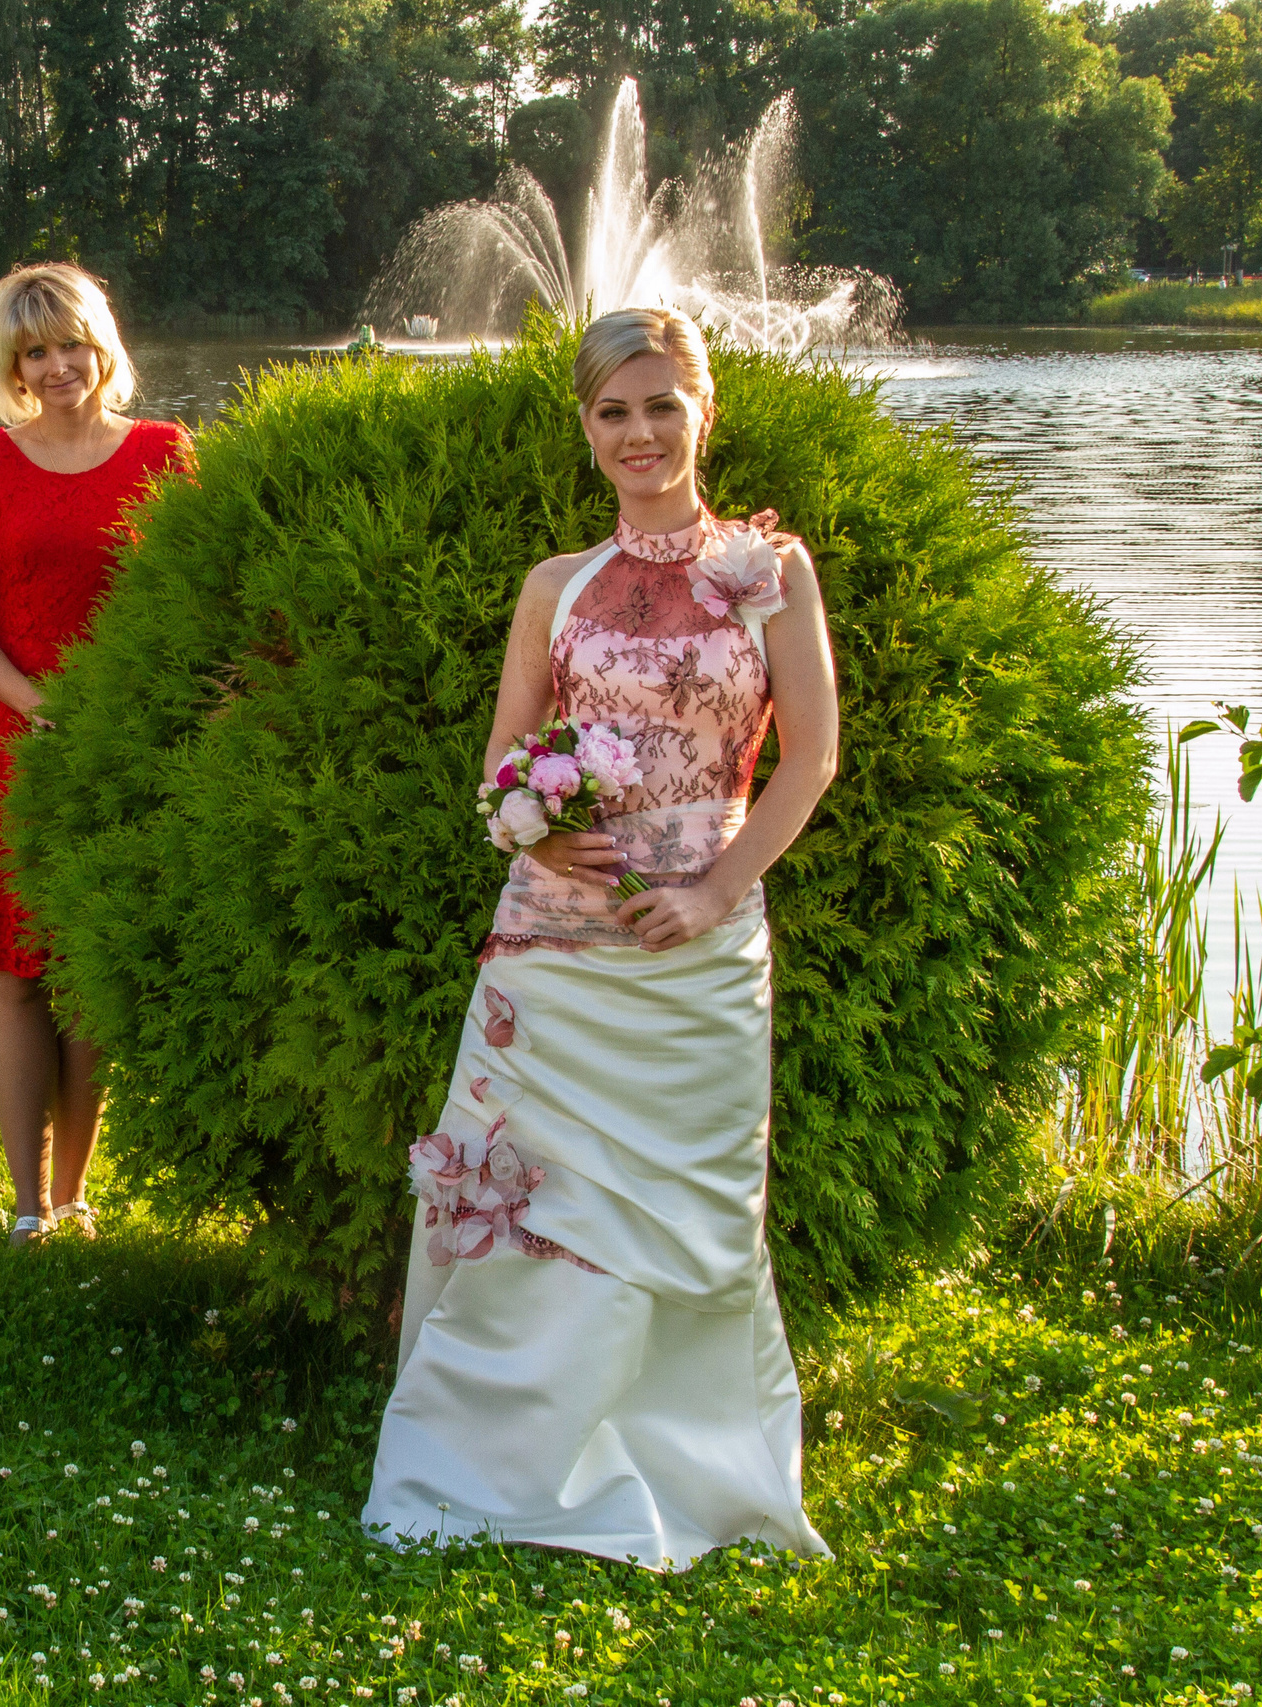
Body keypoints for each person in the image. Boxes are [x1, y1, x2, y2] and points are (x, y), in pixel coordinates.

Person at [359, 307, 840, 1568]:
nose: (640, 433)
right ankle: (492, 1465)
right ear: (584, 427)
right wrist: (527, 829)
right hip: (551, 954)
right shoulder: (553, 587)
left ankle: (689, 1469)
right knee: (532, 1203)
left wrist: (715, 891)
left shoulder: (770, 573)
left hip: (697, 951)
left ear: (703, 410)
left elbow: (810, 760)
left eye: (661, 405)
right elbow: (501, 757)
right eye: (612, 411)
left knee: (692, 1215)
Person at [0, 263, 191, 1246]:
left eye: (71, 343)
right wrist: (40, 705)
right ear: (13, 365)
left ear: (101, 345)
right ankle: (29, 1208)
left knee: (89, 970)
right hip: (11, 739)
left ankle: (75, 1195)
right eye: (34, 351)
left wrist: (123, 710)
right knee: (18, 974)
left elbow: (188, 599)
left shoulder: (163, 452)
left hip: (119, 743)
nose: (57, 365)